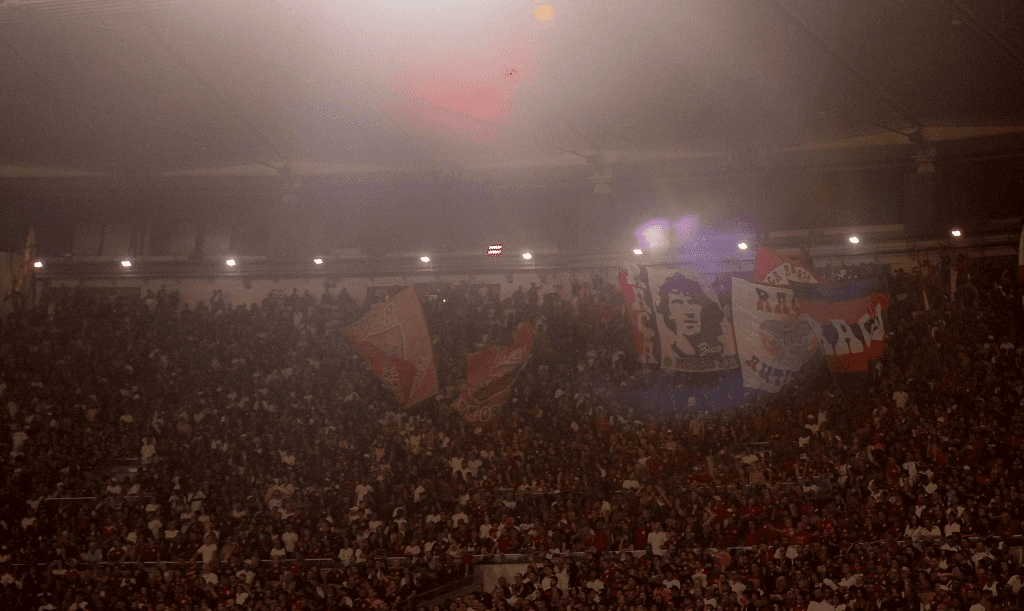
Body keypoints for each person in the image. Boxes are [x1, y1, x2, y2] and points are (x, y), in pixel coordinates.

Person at [656, 274, 726, 361]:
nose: (689, 312)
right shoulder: (670, 349)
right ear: (668, 313)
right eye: (678, 303)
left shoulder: (718, 345)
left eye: (693, 302)